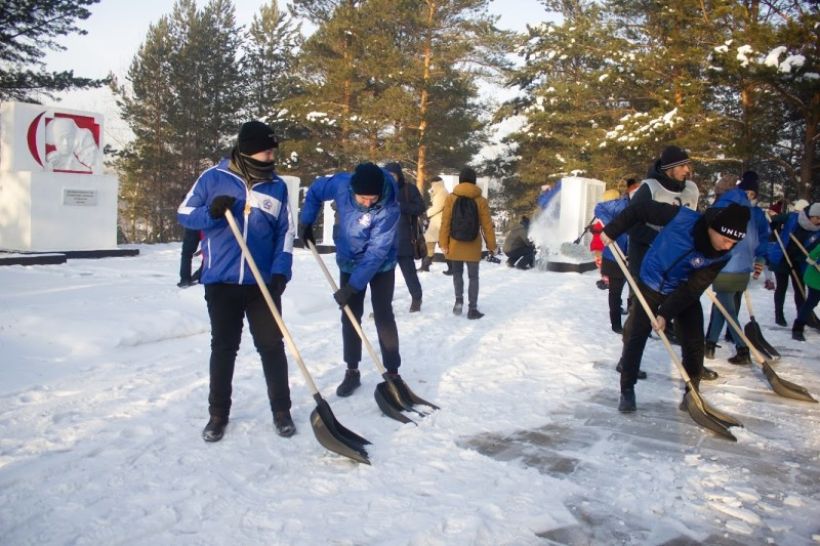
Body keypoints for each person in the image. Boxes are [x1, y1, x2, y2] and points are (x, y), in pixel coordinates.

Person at [177, 120, 296, 442]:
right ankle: (218, 415)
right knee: (224, 347)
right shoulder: (213, 178)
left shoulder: (277, 186)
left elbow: (286, 232)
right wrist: (212, 214)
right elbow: (185, 213)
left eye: (273, 151)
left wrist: (281, 272)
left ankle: (281, 410)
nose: (270, 156)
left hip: (262, 284)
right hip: (222, 281)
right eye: (265, 150)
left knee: (272, 346)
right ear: (246, 151)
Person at [602, 201, 750, 413]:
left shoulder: (723, 255)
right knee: (637, 333)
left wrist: (665, 314)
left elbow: (693, 288)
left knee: (694, 338)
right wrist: (613, 230)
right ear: (712, 227)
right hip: (651, 280)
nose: (728, 246)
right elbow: (639, 208)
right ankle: (627, 389)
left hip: (681, 289)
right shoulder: (682, 218)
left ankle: (692, 393)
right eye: (726, 239)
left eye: (734, 242)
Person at [298, 162, 403, 397]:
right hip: (348, 260)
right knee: (350, 317)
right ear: (352, 190)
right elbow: (315, 190)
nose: (367, 203)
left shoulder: (389, 207)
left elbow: (376, 253)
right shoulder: (341, 184)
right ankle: (352, 370)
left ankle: (393, 372)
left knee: (383, 314)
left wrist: (353, 287)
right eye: (363, 198)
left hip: (381, 265)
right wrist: (307, 221)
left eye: (372, 198)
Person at [703, 171, 769, 364]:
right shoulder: (740, 209)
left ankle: (732, 347)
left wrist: (760, 258)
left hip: (733, 266)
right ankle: (722, 345)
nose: (750, 196)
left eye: (753, 193)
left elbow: (760, 238)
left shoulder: (734, 208)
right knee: (726, 307)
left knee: (726, 309)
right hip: (733, 265)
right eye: (747, 192)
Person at [439, 166, 497, 319]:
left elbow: (445, 223)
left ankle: (458, 302)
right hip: (473, 244)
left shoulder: (451, 198)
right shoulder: (481, 200)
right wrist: (492, 246)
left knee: (457, 274)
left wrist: (443, 244)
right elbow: (487, 226)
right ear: (474, 180)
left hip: (455, 243)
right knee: (473, 277)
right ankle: (472, 309)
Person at [594, 182, 639, 334]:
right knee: (622, 291)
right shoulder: (623, 205)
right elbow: (601, 209)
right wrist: (614, 227)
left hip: (625, 256)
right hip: (619, 255)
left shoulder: (645, 204)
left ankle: (626, 324)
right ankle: (621, 324)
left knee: (626, 292)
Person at [769, 201, 820, 329]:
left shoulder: (818, 230)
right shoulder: (793, 217)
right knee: (782, 287)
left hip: (800, 260)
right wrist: (774, 227)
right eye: (817, 218)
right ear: (811, 215)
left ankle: (802, 315)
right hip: (783, 256)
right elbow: (772, 219)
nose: (818, 221)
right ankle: (779, 314)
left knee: (800, 288)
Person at [384, 162, 425, 312]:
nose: (390, 178)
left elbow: (420, 207)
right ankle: (383, 306)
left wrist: (401, 206)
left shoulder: (409, 189)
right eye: (387, 175)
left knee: (409, 272)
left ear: (398, 175)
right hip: (384, 240)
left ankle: (416, 298)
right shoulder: (381, 191)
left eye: (392, 175)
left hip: (404, 238)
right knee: (384, 277)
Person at [419, 176, 448, 273]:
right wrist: (432, 193)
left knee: (439, 244)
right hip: (436, 221)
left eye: (432, 184)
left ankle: (452, 267)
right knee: (432, 243)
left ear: (436, 183)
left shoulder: (442, 193)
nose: (431, 185)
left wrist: (426, 213)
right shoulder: (440, 192)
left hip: (438, 222)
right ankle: (425, 266)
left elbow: (437, 207)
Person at [793, 241, 820, 341]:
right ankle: (797, 328)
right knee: (811, 303)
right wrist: (817, 263)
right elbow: (811, 258)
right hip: (815, 280)